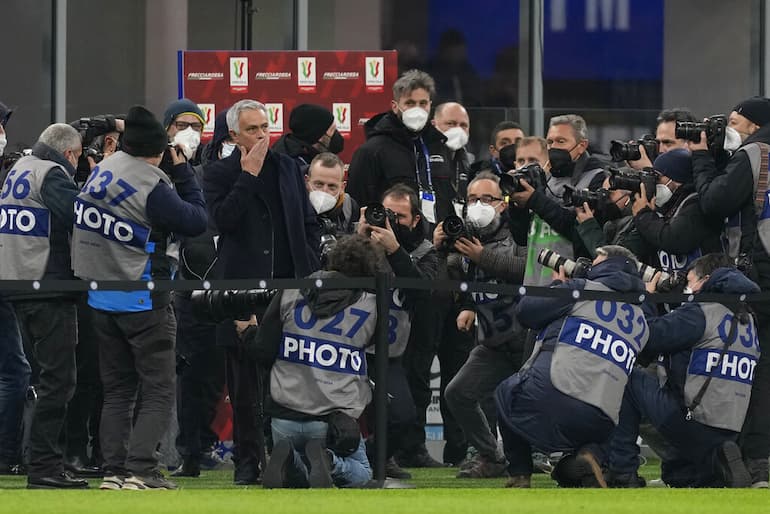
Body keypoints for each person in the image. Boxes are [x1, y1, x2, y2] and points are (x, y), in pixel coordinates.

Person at [71, 105, 208, 490]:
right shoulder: (153, 184)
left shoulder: (102, 171)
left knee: (117, 391)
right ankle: (142, 470)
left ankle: (113, 470)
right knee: (158, 388)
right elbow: (197, 221)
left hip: (100, 296)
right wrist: (183, 173)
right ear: (161, 150)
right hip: (143, 296)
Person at [203, 99, 320, 485]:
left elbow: (305, 221)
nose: (260, 135)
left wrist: (312, 271)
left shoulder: (288, 167)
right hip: (239, 292)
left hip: (289, 292)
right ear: (234, 134)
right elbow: (222, 220)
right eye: (252, 129)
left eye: (264, 127)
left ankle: (289, 461)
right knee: (244, 387)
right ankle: (247, 464)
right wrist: (247, 176)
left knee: (288, 381)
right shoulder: (218, 173)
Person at [496, 245, 650, 488]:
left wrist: (558, 287)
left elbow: (526, 311)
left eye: (596, 261)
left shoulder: (581, 288)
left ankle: (519, 474)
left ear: (609, 264)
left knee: (505, 393)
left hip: (550, 398)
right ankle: (590, 458)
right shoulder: (642, 320)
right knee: (571, 468)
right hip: (601, 421)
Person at [606, 254, 758, 488]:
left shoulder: (702, 312)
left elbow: (647, 334)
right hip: (731, 429)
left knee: (626, 375)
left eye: (690, 281)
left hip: (694, 423)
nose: (686, 287)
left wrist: (646, 296)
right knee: (680, 477)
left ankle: (622, 472)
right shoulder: (747, 318)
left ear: (706, 280)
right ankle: (709, 466)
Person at [246, 234, 381, 488]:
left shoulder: (292, 290)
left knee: (301, 469)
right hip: (332, 425)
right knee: (362, 472)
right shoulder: (372, 304)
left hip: (282, 421)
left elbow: (262, 351)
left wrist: (248, 333)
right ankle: (328, 462)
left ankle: (291, 461)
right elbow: (390, 353)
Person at [690, 95, 770, 487]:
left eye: (735, 120)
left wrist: (703, 157)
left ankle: (754, 461)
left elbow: (713, 202)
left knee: (757, 369)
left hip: (759, 274)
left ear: (754, 125)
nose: (729, 127)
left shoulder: (754, 153)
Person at [0, 123, 83, 489]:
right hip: (46, 285)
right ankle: (45, 466)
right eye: (79, 157)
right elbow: (80, 217)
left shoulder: (20, 168)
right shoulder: (52, 175)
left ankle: (42, 462)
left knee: (42, 377)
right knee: (59, 381)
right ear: (69, 154)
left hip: (17, 283)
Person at [440, 172, 527, 479]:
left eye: (486, 199)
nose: (478, 205)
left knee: (535, 400)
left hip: (528, 340)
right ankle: (491, 457)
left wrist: (482, 256)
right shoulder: (465, 239)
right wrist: (440, 248)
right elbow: (449, 280)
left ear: (502, 204)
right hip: (493, 341)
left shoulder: (518, 231)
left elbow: (527, 270)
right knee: (457, 393)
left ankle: (558, 453)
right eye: (472, 199)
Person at [357, 184, 439, 478]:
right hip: (350, 348)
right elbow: (335, 272)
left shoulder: (427, 251)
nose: (391, 222)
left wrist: (394, 250)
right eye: (386, 214)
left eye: (400, 217)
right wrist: (359, 239)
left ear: (417, 219)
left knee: (404, 417)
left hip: (390, 352)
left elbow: (423, 293)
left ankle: (378, 456)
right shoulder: (362, 244)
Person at [171, 110, 230, 478]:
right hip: (187, 290)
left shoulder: (223, 178)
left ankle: (207, 445)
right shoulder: (180, 175)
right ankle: (189, 451)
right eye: (182, 126)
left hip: (230, 288)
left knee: (217, 376)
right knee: (190, 375)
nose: (190, 134)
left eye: (197, 126)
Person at [347, 69, 453, 225]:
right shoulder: (372, 151)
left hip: (436, 239)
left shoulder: (439, 147)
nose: (417, 109)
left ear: (430, 105)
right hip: (390, 239)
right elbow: (358, 205)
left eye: (423, 103)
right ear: (395, 106)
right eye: (410, 103)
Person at [631, 148, 723, 277]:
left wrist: (643, 216)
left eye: (657, 178)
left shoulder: (697, 204)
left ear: (677, 178)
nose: (654, 184)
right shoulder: (666, 205)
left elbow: (675, 239)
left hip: (701, 286)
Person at [273, 104, 343, 171]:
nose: (336, 134)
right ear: (317, 136)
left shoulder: (308, 155)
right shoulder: (289, 167)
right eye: (332, 130)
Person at [306, 152, 358, 236]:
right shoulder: (294, 207)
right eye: (319, 184)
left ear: (342, 187)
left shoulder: (349, 207)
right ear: (307, 181)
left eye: (332, 186)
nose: (324, 191)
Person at [432, 102, 473, 208]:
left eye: (463, 125)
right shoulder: (421, 155)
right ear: (434, 125)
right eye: (451, 124)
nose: (458, 130)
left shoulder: (468, 162)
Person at [163, 98, 206, 165]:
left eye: (196, 126)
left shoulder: (209, 160)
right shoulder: (157, 159)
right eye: (181, 125)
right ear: (167, 128)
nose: (189, 131)